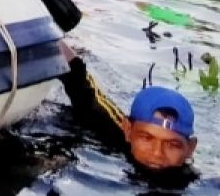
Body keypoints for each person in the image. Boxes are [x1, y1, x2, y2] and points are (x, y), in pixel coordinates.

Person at [59, 43, 198, 171]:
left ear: (190, 148)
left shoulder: (200, 180)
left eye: (173, 145)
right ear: (128, 131)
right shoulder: (110, 133)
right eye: (146, 138)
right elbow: (77, 79)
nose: (157, 153)